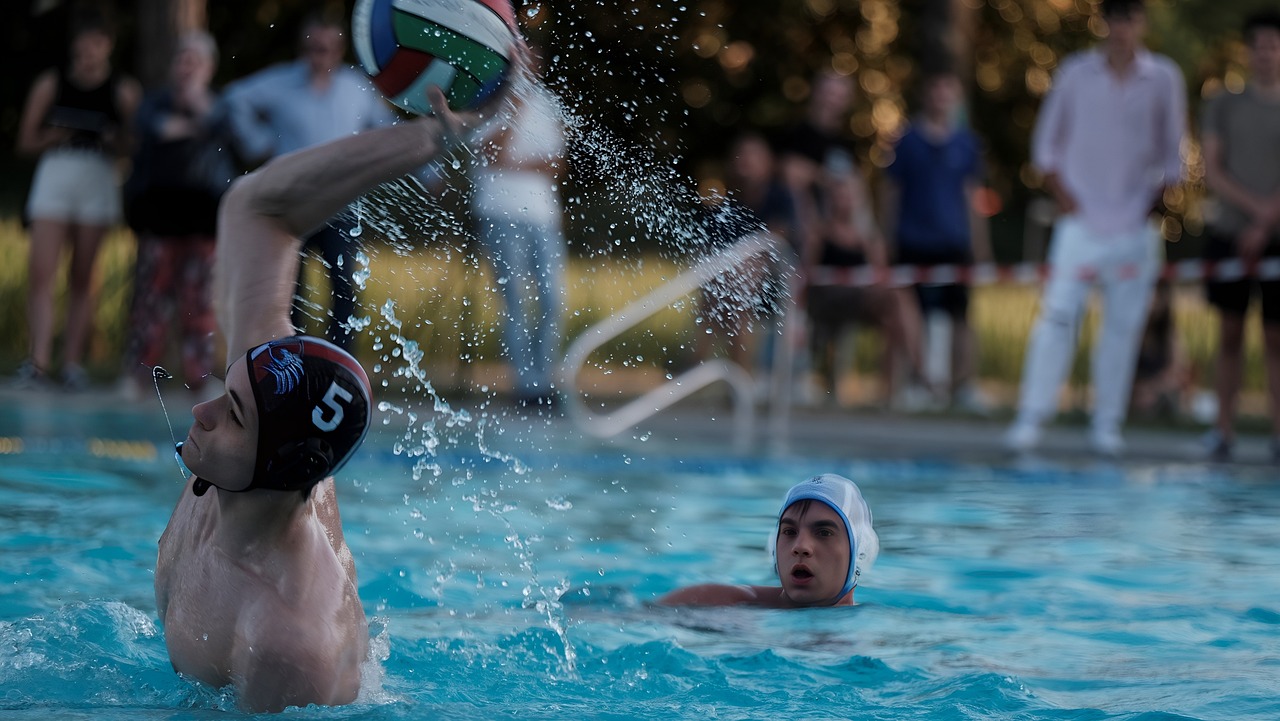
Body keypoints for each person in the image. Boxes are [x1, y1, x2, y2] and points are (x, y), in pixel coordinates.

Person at [153, 69, 517, 709]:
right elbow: (257, 205)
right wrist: (433, 138)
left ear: (283, 465)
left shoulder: (286, 642)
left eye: (231, 412)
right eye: (226, 390)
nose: (203, 410)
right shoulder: (268, 395)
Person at [1004, 0, 1187, 456]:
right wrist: (1069, 205)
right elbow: (1045, 146)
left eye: (1130, 17)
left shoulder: (1164, 77)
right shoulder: (1074, 73)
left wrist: (1151, 208)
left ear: (1141, 22)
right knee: (1057, 318)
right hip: (1080, 222)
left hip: (1134, 226)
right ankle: (1031, 417)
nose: (1122, 27)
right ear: (1104, 21)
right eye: (1115, 16)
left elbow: (1173, 156)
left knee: (1123, 328)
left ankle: (1107, 423)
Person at [223, 11, 396, 352]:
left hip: (341, 205)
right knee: (289, 290)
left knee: (345, 286)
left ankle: (340, 360)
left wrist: (427, 171)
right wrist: (258, 143)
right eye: (314, 47)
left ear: (339, 49)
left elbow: (389, 129)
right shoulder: (281, 82)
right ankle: (293, 359)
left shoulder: (357, 87)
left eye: (327, 48)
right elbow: (234, 98)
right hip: (294, 204)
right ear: (304, 47)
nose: (320, 55)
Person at [14, 8, 141, 390]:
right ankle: (36, 362)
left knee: (84, 276)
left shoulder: (123, 90)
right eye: (83, 46)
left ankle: (71, 364)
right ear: (74, 46)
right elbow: (25, 141)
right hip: (56, 176)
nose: (88, 53)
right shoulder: (51, 84)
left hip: (97, 180)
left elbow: (135, 144)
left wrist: (113, 141)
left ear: (108, 46)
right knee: (42, 272)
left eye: (96, 45)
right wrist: (53, 136)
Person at [120, 30, 235, 399]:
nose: (186, 67)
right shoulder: (155, 102)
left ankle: (198, 378)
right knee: (150, 302)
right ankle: (137, 377)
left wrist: (201, 111)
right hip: (159, 217)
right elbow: (158, 130)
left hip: (203, 220)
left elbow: (233, 136)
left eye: (195, 61)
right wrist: (200, 123)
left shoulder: (220, 105)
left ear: (209, 67)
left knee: (199, 303)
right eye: (182, 59)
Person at [881, 67, 993, 413]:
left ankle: (963, 386)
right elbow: (891, 193)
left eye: (949, 88)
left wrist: (980, 246)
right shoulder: (907, 141)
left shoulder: (967, 144)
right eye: (936, 88)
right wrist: (885, 240)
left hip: (953, 241)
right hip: (912, 240)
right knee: (906, 315)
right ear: (927, 93)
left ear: (956, 95)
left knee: (961, 315)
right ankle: (910, 385)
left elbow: (973, 197)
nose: (942, 96)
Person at [1199, 12, 1280, 462]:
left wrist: (1268, 222)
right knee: (1229, 332)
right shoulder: (1224, 104)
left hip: (1276, 236)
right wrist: (1255, 215)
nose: (1266, 53)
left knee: (1276, 338)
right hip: (1231, 233)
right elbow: (1213, 169)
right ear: (1248, 52)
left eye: (1274, 45)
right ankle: (1222, 429)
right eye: (1259, 45)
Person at [470, 57, 567, 410]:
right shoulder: (485, 98)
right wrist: (513, 108)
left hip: (543, 215)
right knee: (514, 302)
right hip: (499, 211)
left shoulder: (547, 102)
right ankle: (527, 386)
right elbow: (491, 152)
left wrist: (517, 164)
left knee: (553, 300)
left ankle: (545, 378)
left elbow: (557, 164)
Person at [658, 474, 879, 608]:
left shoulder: (876, 637)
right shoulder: (719, 603)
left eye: (823, 533)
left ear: (859, 553)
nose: (800, 547)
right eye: (789, 531)